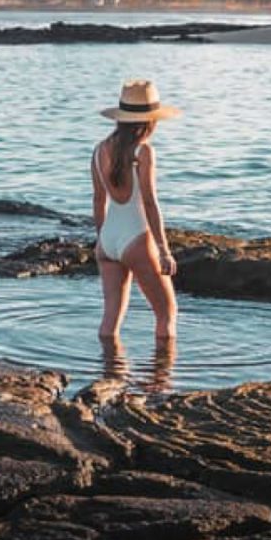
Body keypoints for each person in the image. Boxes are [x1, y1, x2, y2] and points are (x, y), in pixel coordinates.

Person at [92, 79, 180, 346]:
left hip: (107, 241)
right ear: (150, 121)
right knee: (166, 313)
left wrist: (103, 239)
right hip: (137, 239)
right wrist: (163, 250)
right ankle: (161, 381)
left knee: (110, 320)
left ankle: (108, 373)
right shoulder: (143, 152)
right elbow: (150, 203)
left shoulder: (98, 151)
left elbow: (98, 201)